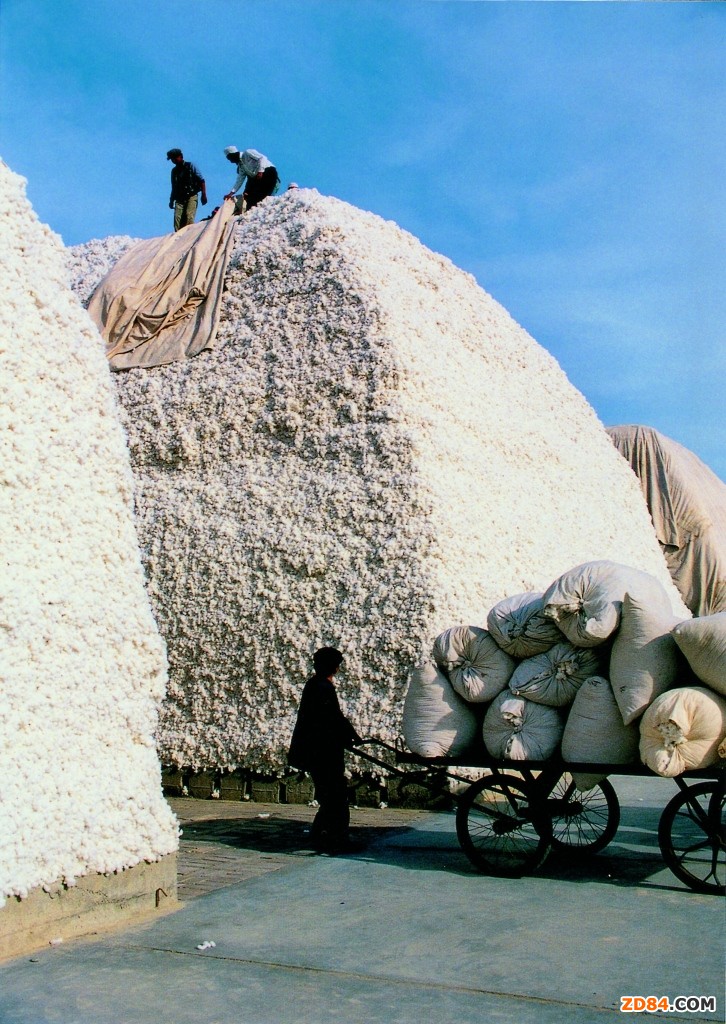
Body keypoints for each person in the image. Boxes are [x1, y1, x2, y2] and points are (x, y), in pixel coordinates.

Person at [288, 647, 363, 853]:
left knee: (331, 795)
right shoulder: (321, 687)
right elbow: (332, 717)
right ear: (335, 667)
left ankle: (322, 834)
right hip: (322, 751)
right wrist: (352, 735)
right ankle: (334, 839)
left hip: (320, 750)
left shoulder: (316, 685)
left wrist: (349, 735)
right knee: (336, 795)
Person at [223, 146, 280, 210]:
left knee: (262, 196)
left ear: (233, 154)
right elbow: (239, 180)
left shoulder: (247, 153)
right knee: (249, 198)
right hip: (257, 178)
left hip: (268, 172)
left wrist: (260, 171)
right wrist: (231, 193)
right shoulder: (241, 167)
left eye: (230, 158)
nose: (231, 161)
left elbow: (262, 158)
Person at [167, 149, 207, 231]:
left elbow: (202, 180)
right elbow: (174, 187)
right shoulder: (174, 171)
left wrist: (204, 194)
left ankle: (188, 239)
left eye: (175, 158)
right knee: (177, 220)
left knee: (189, 217)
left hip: (191, 196)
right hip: (179, 198)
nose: (174, 160)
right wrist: (171, 200)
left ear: (181, 157)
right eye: (172, 159)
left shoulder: (190, 166)